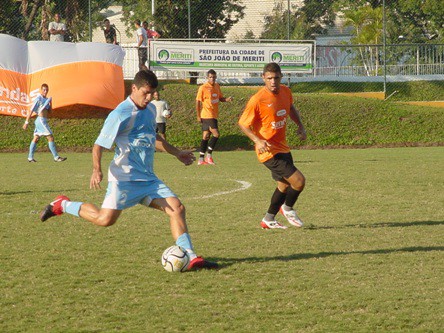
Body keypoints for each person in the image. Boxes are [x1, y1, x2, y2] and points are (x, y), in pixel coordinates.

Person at [39, 70, 218, 271]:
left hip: (148, 179)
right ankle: (63, 205)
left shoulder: (150, 110)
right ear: (134, 88)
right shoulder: (120, 114)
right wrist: (96, 170)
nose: (149, 98)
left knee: (177, 208)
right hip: (123, 179)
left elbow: (154, 139)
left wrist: (176, 153)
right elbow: (98, 145)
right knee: (104, 219)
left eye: (152, 93)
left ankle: (191, 257)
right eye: (146, 93)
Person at [238, 62, 307, 229]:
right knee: (298, 182)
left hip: (282, 147)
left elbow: (290, 108)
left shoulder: (286, 91)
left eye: (276, 78)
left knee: (283, 185)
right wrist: (258, 140)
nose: (273, 82)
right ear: (263, 78)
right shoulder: (257, 99)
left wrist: (300, 126)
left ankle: (268, 219)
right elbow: (243, 124)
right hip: (268, 151)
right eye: (269, 78)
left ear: (281, 77)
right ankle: (288, 208)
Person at [195, 69, 233, 165]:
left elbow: (220, 98)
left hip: (214, 115)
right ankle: (209, 156)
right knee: (216, 134)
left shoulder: (217, 86)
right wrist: (198, 115)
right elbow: (198, 102)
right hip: (207, 115)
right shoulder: (203, 88)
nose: (212, 79)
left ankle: (200, 159)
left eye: (214, 77)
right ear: (207, 78)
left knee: (206, 136)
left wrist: (227, 99)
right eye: (210, 77)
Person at [23, 83, 67, 163]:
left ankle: (30, 158)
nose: (45, 91)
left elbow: (50, 112)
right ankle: (56, 157)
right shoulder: (38, 98)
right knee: (50, 137)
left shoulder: (46, 99)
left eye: (46, 90)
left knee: (36, 138)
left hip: (42, 120)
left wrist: (50, 103)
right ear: (41, 90)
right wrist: (26, 122)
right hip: (40, 120)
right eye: (44, 90)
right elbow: (31, 110)